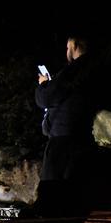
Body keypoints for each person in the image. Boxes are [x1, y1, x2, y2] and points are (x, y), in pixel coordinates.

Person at [35, 35, 98, 185]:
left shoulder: (75, 69)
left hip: (63, 140)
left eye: (67, 46)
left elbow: (46, 98)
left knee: (52, 190)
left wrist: (44, 84)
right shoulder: (95, 67)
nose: (66, 50)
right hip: (80, 136)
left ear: (74, 45)